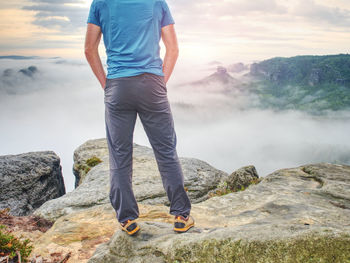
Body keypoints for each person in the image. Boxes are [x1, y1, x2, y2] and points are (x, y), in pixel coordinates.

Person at [84, 0, 194, 235]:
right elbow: (173, 48)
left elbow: (88, 49)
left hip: (117, 86)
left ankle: (127, 219)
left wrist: (107, 85)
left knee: (120, 155)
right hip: (152, 83)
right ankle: (181, 215)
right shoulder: (156, 2)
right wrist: (160, 83)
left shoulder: (100, 3)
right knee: (165, 151)